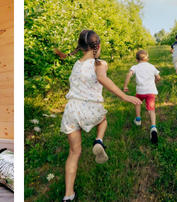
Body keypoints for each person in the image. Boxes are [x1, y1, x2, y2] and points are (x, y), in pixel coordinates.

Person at [54, 29, 142, 201]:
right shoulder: (100, 63)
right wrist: (124, 96)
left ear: (79, 47)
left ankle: (68, 195)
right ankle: (98, 140)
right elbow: (102, 78)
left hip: (71, 110)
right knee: (103, 120)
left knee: (73, 152)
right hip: (90, 109)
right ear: (98, 46)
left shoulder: (76, 64)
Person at [123, 50, 160, 143]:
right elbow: (158, 77)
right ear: (147, 58)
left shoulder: (135, 67)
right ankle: (153, 127)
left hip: (140, 91)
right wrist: (154, 82)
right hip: (150, 91)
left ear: (136, 59)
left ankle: (138, 119)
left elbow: (129, 74)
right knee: (151, 109)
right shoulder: (152, 66)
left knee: (138, 102)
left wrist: (125, 86)